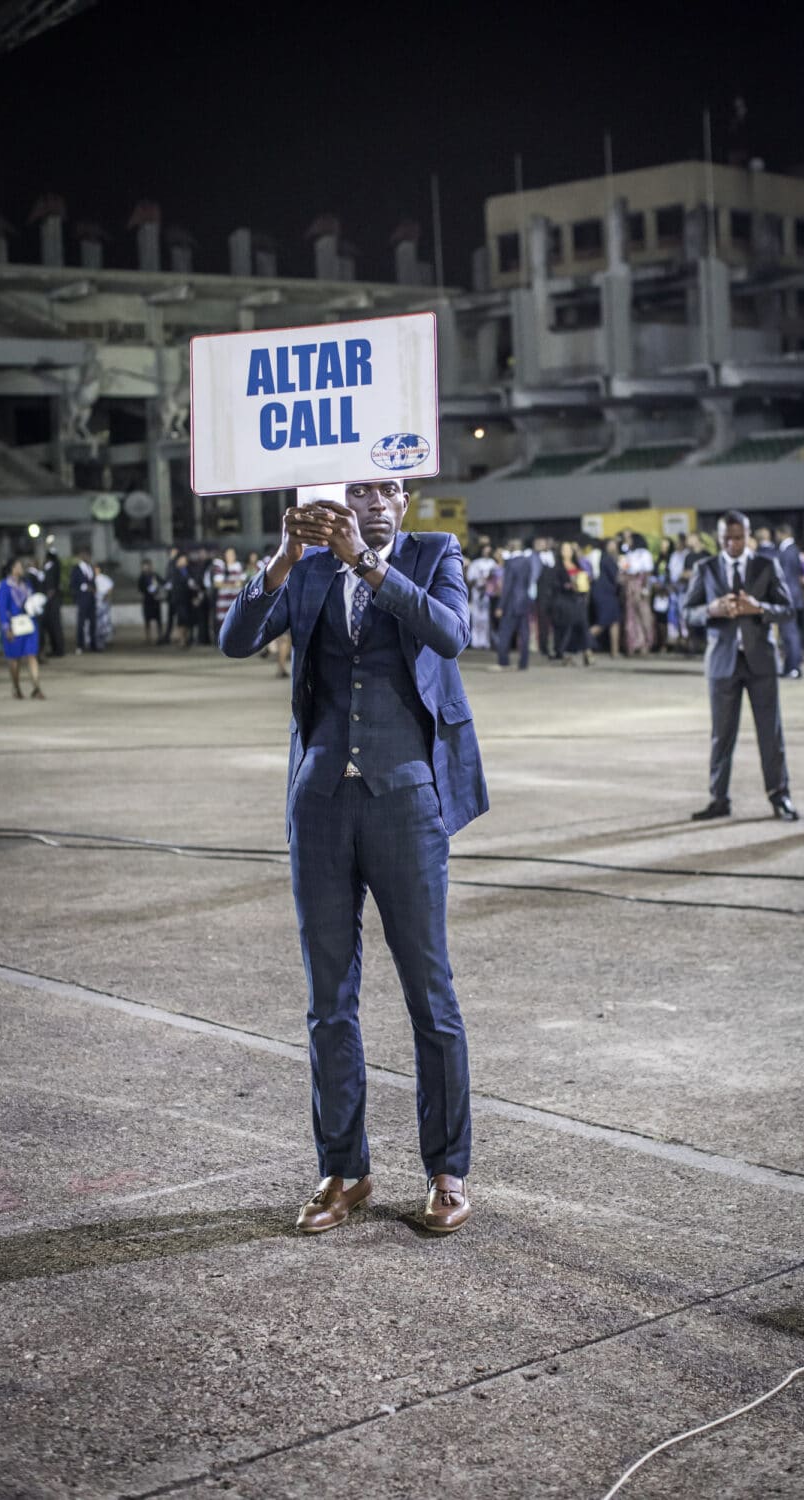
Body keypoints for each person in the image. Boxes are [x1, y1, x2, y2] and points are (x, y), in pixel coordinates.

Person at [219, 478, 487, 1236]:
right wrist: (282, 556)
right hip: (321, 803)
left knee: (429, 994)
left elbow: (450, 633)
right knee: (327, 1000)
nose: (374, 500)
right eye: (360, 488)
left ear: (406, 501)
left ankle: (447, 1169)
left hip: (408, 799)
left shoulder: (435, 554)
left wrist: (367, 563)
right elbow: (236, 640)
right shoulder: (303, 568)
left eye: (389, 488)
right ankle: (344, 1169)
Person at [683, 509, 798, 822]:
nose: (733, 543)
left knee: (770, 734)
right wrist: (712, 608)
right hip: (722, 663)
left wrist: (759, 607)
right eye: (727, 539)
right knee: (721, 735)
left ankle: (780, 796)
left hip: (760, 661)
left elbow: (788, 609)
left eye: (738, 537)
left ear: (748, 536)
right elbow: (686, 613)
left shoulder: (766, 564)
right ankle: (718, 798)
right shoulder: (705, 568)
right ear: (718, 539)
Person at [0, 557, 45, 699]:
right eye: (19, 566)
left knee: (32, 655)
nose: (21, 568)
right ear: (12, 568)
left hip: (29, 624)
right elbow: (1, 608)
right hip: (14, 626)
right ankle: (16, 687)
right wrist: (6, 628)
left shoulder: (27, 583)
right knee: (14, 659)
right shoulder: (5, 586)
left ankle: (36, 688)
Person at [492, 536, 535, 670]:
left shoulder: (510, 563)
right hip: (523, 601)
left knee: (505, 632)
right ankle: (523, 663)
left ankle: (503, 661)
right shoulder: (527, 562)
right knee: (524, 633)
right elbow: (528, 582)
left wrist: (500, 606)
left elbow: (507, 586)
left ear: (511, 547)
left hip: (511, 603)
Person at [551, 541, 592, 665]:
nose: (567, 552)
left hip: (578, 599)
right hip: (565, 601)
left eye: (569, 549)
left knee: (583, 626)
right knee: (567, 628)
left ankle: (587, 652)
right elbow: (554, 585)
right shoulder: (557, 567)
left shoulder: (578, 565)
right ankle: (565, 653)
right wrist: (568, 585)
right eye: (565, 549)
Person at [775, 523, 804, 678]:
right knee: (789, 634)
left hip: (788, 598)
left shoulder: (787, 551)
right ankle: (789, 667)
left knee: (790, 634)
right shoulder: (794, 550)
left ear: (782, 534)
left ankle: (794, 668)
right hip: (795, 596)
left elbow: (784, 578)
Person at [621, 533, 655, 655]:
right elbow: (624, 571)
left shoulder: (644, 554)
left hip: (640, 586)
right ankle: (634, 643)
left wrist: (645, 589)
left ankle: (646, 643)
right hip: (630, 586)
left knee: (644, 615)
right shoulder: (628, 554)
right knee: (631, 616)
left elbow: (647, 573)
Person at [590, 538, 622, 656]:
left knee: (614, 621)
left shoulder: (605, 558)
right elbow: (617, 577)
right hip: (605, 595)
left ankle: (615, 651)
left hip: (607, 594)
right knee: (603, 623)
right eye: (613, 544)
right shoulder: (608, 559)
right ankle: (584, 642)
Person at [69, 547, 98, 653]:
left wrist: (94, 589)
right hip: (82, 599)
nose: (87, 557)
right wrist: (85, 587)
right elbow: (72, 585)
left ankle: (93, 645)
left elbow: (93, 582)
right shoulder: (76, 569)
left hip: (91, 599)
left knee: (93, 623)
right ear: (81, 556)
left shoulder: (91, 568)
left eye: (89, 555)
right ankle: (80, 645)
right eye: (85, 554)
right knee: (81, 623)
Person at [40, 540, 66, 657]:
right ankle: (57, 648)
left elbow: (50, 586)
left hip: (52, 600)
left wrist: (47, 598)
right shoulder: (55, 565)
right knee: (53, 625)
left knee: (54, 625)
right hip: (54, 599)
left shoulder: (51, 566)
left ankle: (58, 649)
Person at [212, 546, 244, 639]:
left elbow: (242, 581)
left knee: (236, 620)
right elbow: (217, 583)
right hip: (224, 600)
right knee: (223, 622)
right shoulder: (221, 566)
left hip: (235, 599)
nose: (231, 556)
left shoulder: (238, 566)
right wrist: (233, 585)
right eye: (228, 554)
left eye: (232, 554)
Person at [138, 558, 163, 642]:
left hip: (155, 600)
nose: (147, 568)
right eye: (145, 566)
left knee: (158, 619)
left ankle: (160, 636)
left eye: (148, 566)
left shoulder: (155, 575)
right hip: (147, 600)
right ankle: (148, 637)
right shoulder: (141, 577)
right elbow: (140, 588)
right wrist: (148, 590)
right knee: (147, 619)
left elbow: (162, 582)